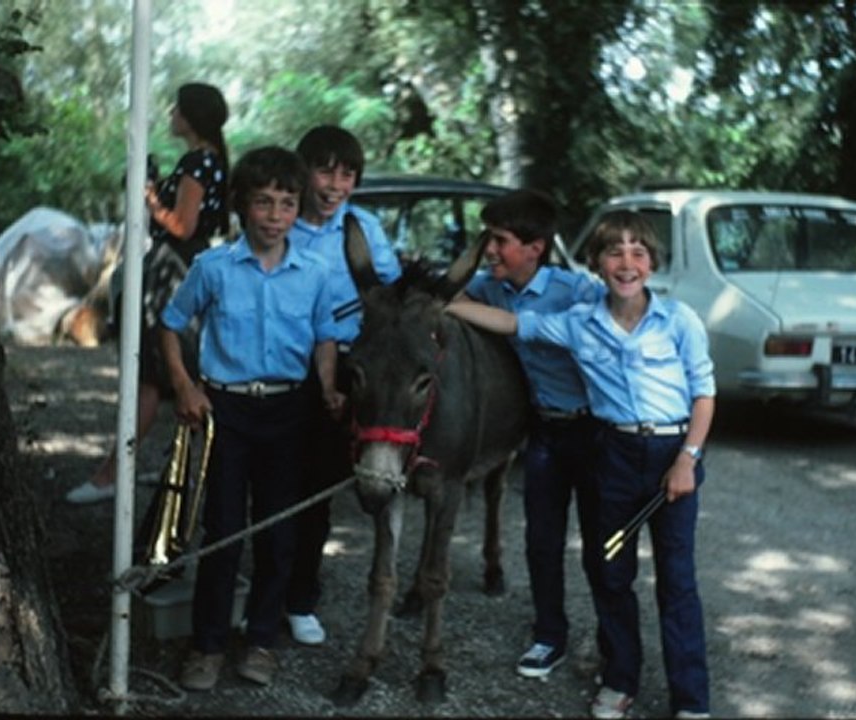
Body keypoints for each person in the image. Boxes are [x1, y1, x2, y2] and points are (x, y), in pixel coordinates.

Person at [446, 210, 715, 719]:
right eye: (614, 252)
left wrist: (688, 459)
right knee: (610, 570)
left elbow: (704, 393)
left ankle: (691, 699)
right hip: (613, 458)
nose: (627, 262)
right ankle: (619, 680)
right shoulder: (578, 324)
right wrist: (447, 303)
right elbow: (511, 321)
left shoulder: (679, 320)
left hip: (672, 459)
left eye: (638, 252)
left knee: (677, 581)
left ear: (652, 264)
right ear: (596, 264)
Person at [159, 146, 344, 691]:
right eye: (263, 203)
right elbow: (170, 325)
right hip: (226, 411)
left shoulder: (315, 271)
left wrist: (329, 388)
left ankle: (262, 640)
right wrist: (184, 385)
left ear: (297, 209)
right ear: (242, 206)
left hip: (290, 411)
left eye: (287, 204)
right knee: (223, 530)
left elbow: (326, 337)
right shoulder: (212, 267)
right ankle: (208, 645)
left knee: (278, 530)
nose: (275, 215)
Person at [460, 190, 607, 679]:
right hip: (543, 431)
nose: (491, 251)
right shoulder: (489, 288)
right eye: (489, 241)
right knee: (541, 541)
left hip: (595, 431)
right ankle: (549, 638)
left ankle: (615, 646)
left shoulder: (578, 293)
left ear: (536, 247)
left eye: (500, 241)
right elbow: (450, 298)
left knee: (602, 545)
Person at [66, 82, 231, 504]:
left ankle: (113, 475)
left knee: (155, 376)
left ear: (190, 117)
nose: (171, 113)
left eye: (177, 108)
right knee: (168, 377)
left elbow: (182, 227)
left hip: (172, 273)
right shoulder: (213, 160)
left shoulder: (198, 162)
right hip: (185, 268)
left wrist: (150, 196)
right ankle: (185, 476)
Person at [281, 125, 401, 646]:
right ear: (302, 172)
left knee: (315, 491)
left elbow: (391, 296)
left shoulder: (364, 226)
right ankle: (265, 592)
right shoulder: (279, 222)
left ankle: (300, 599)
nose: (335, 185)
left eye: (347, 174)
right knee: (272, 487)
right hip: (285, 368)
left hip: (346, 373)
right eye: (324, 171)